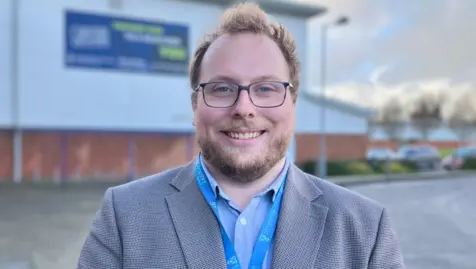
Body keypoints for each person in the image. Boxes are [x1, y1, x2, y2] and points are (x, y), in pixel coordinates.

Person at [77, 3, 405, 269]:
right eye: (222, 88)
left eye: (266, 88)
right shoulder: (125, 216)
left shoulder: (365, 229)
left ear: (292, 103)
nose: (243, 108)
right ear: (195, 106)